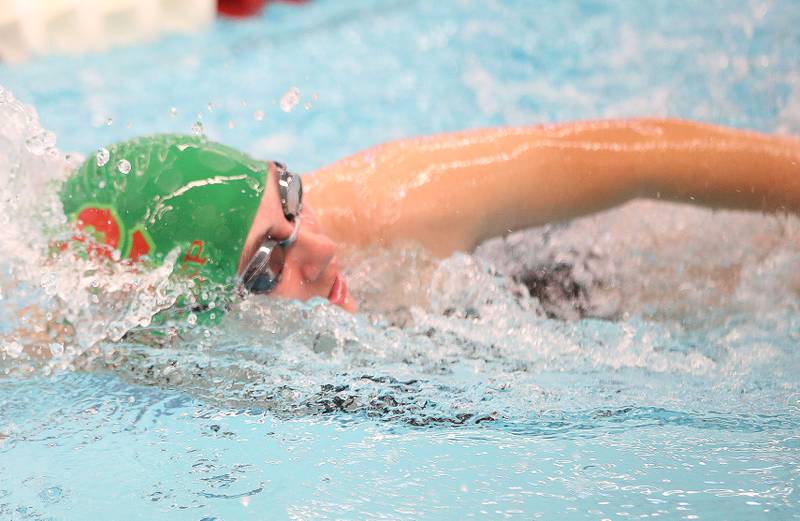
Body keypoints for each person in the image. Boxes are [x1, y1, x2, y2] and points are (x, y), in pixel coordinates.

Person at [59, 118, 799, 323]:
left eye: (289, 194)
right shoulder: (141, 335)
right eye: (266, 265)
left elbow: (637, 156)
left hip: (544, 277)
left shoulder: (400, 204)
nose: (322, 246)